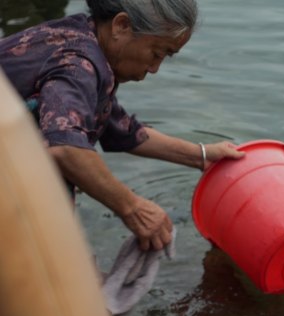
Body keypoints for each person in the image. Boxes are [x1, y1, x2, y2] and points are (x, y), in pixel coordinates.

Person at [0, 0, 244, 251]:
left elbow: (122, 130)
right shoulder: (77, 63)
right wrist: (133, 208)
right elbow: (65, 146)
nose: (154, 68)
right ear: (121, 25)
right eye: (157, 53)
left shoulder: (87, 41)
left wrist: (202, 156)